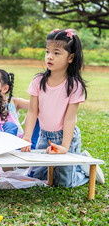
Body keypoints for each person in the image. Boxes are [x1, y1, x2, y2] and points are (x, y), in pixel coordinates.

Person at [21, 29, 104, 186]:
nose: (49, 57)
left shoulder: (74, 85)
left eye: (56, 53)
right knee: (36, 178)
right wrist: (27, 138)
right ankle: (77, 163)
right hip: (44, 137)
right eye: (47, 52)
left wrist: (65, 147)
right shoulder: (38, 81)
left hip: (66, 137)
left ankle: (83, 169)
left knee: (63, 183)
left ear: (71, 57)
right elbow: (32, 112)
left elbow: (70, 118)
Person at [0, 69, 40, 149]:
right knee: (9, 125)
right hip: (1, 143)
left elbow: (34, 105)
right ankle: (6, 149)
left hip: (21, 142)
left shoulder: (14, 102)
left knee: (37, 116)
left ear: (5, 89)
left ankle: (30, 146)